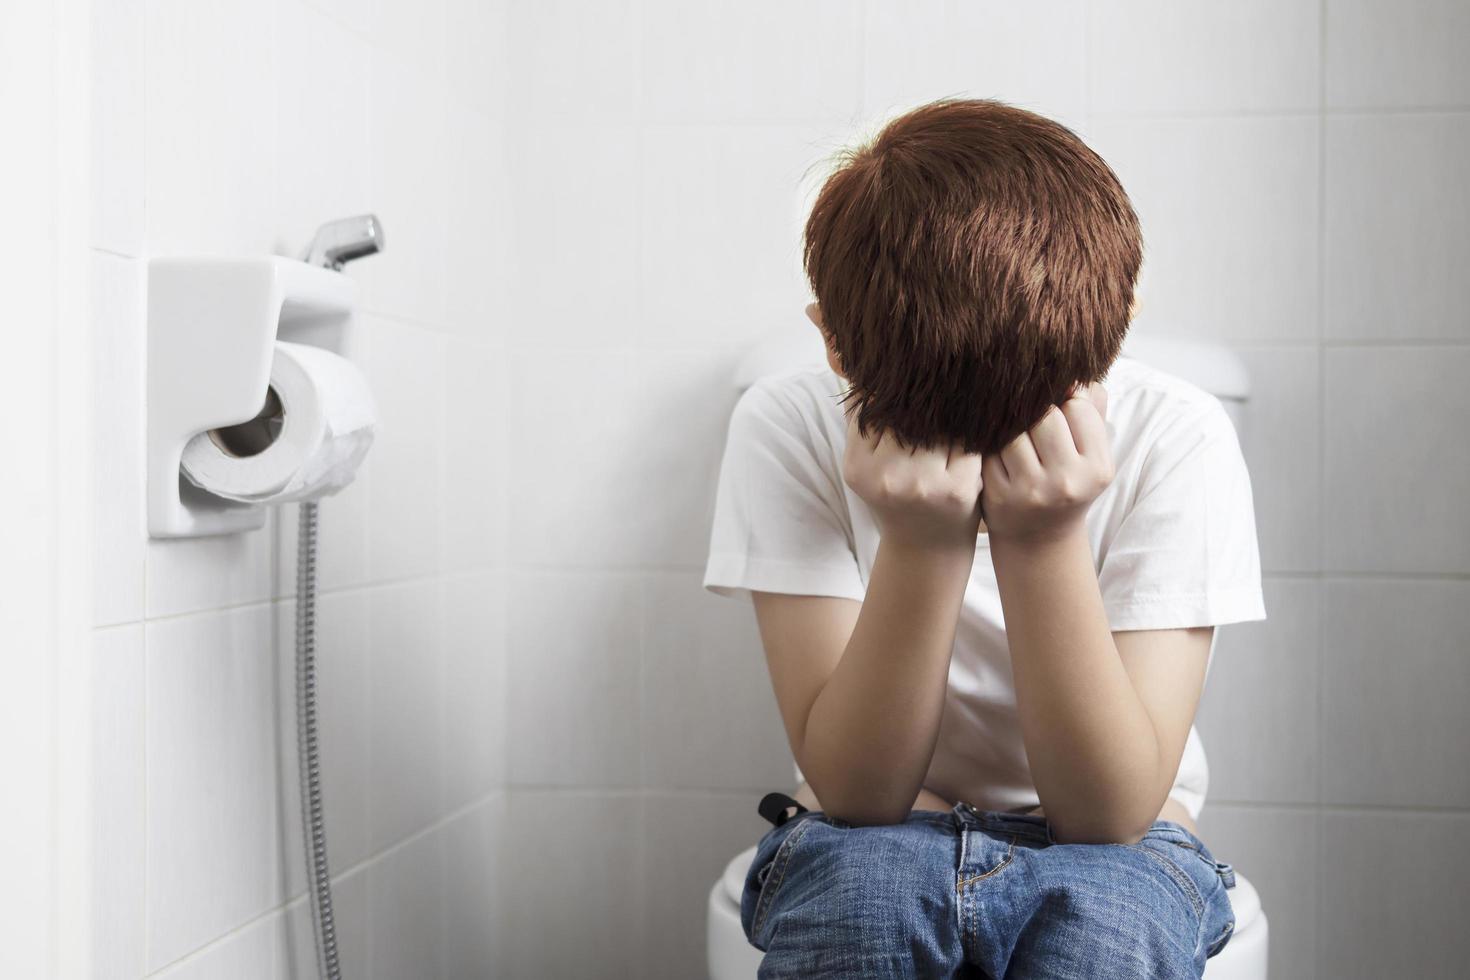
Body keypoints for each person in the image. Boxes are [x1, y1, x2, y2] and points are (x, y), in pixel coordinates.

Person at [702, 98, 1265, 979]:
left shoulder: (1180, 432)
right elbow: (859, 796)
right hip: (881, 823)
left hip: (1121, 842)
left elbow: (1108, 816)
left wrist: (1042, 539)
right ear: (835, 351)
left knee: (1104, 937)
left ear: (1117, 335)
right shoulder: (786, 422)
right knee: (861, 913)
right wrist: (922, 543)